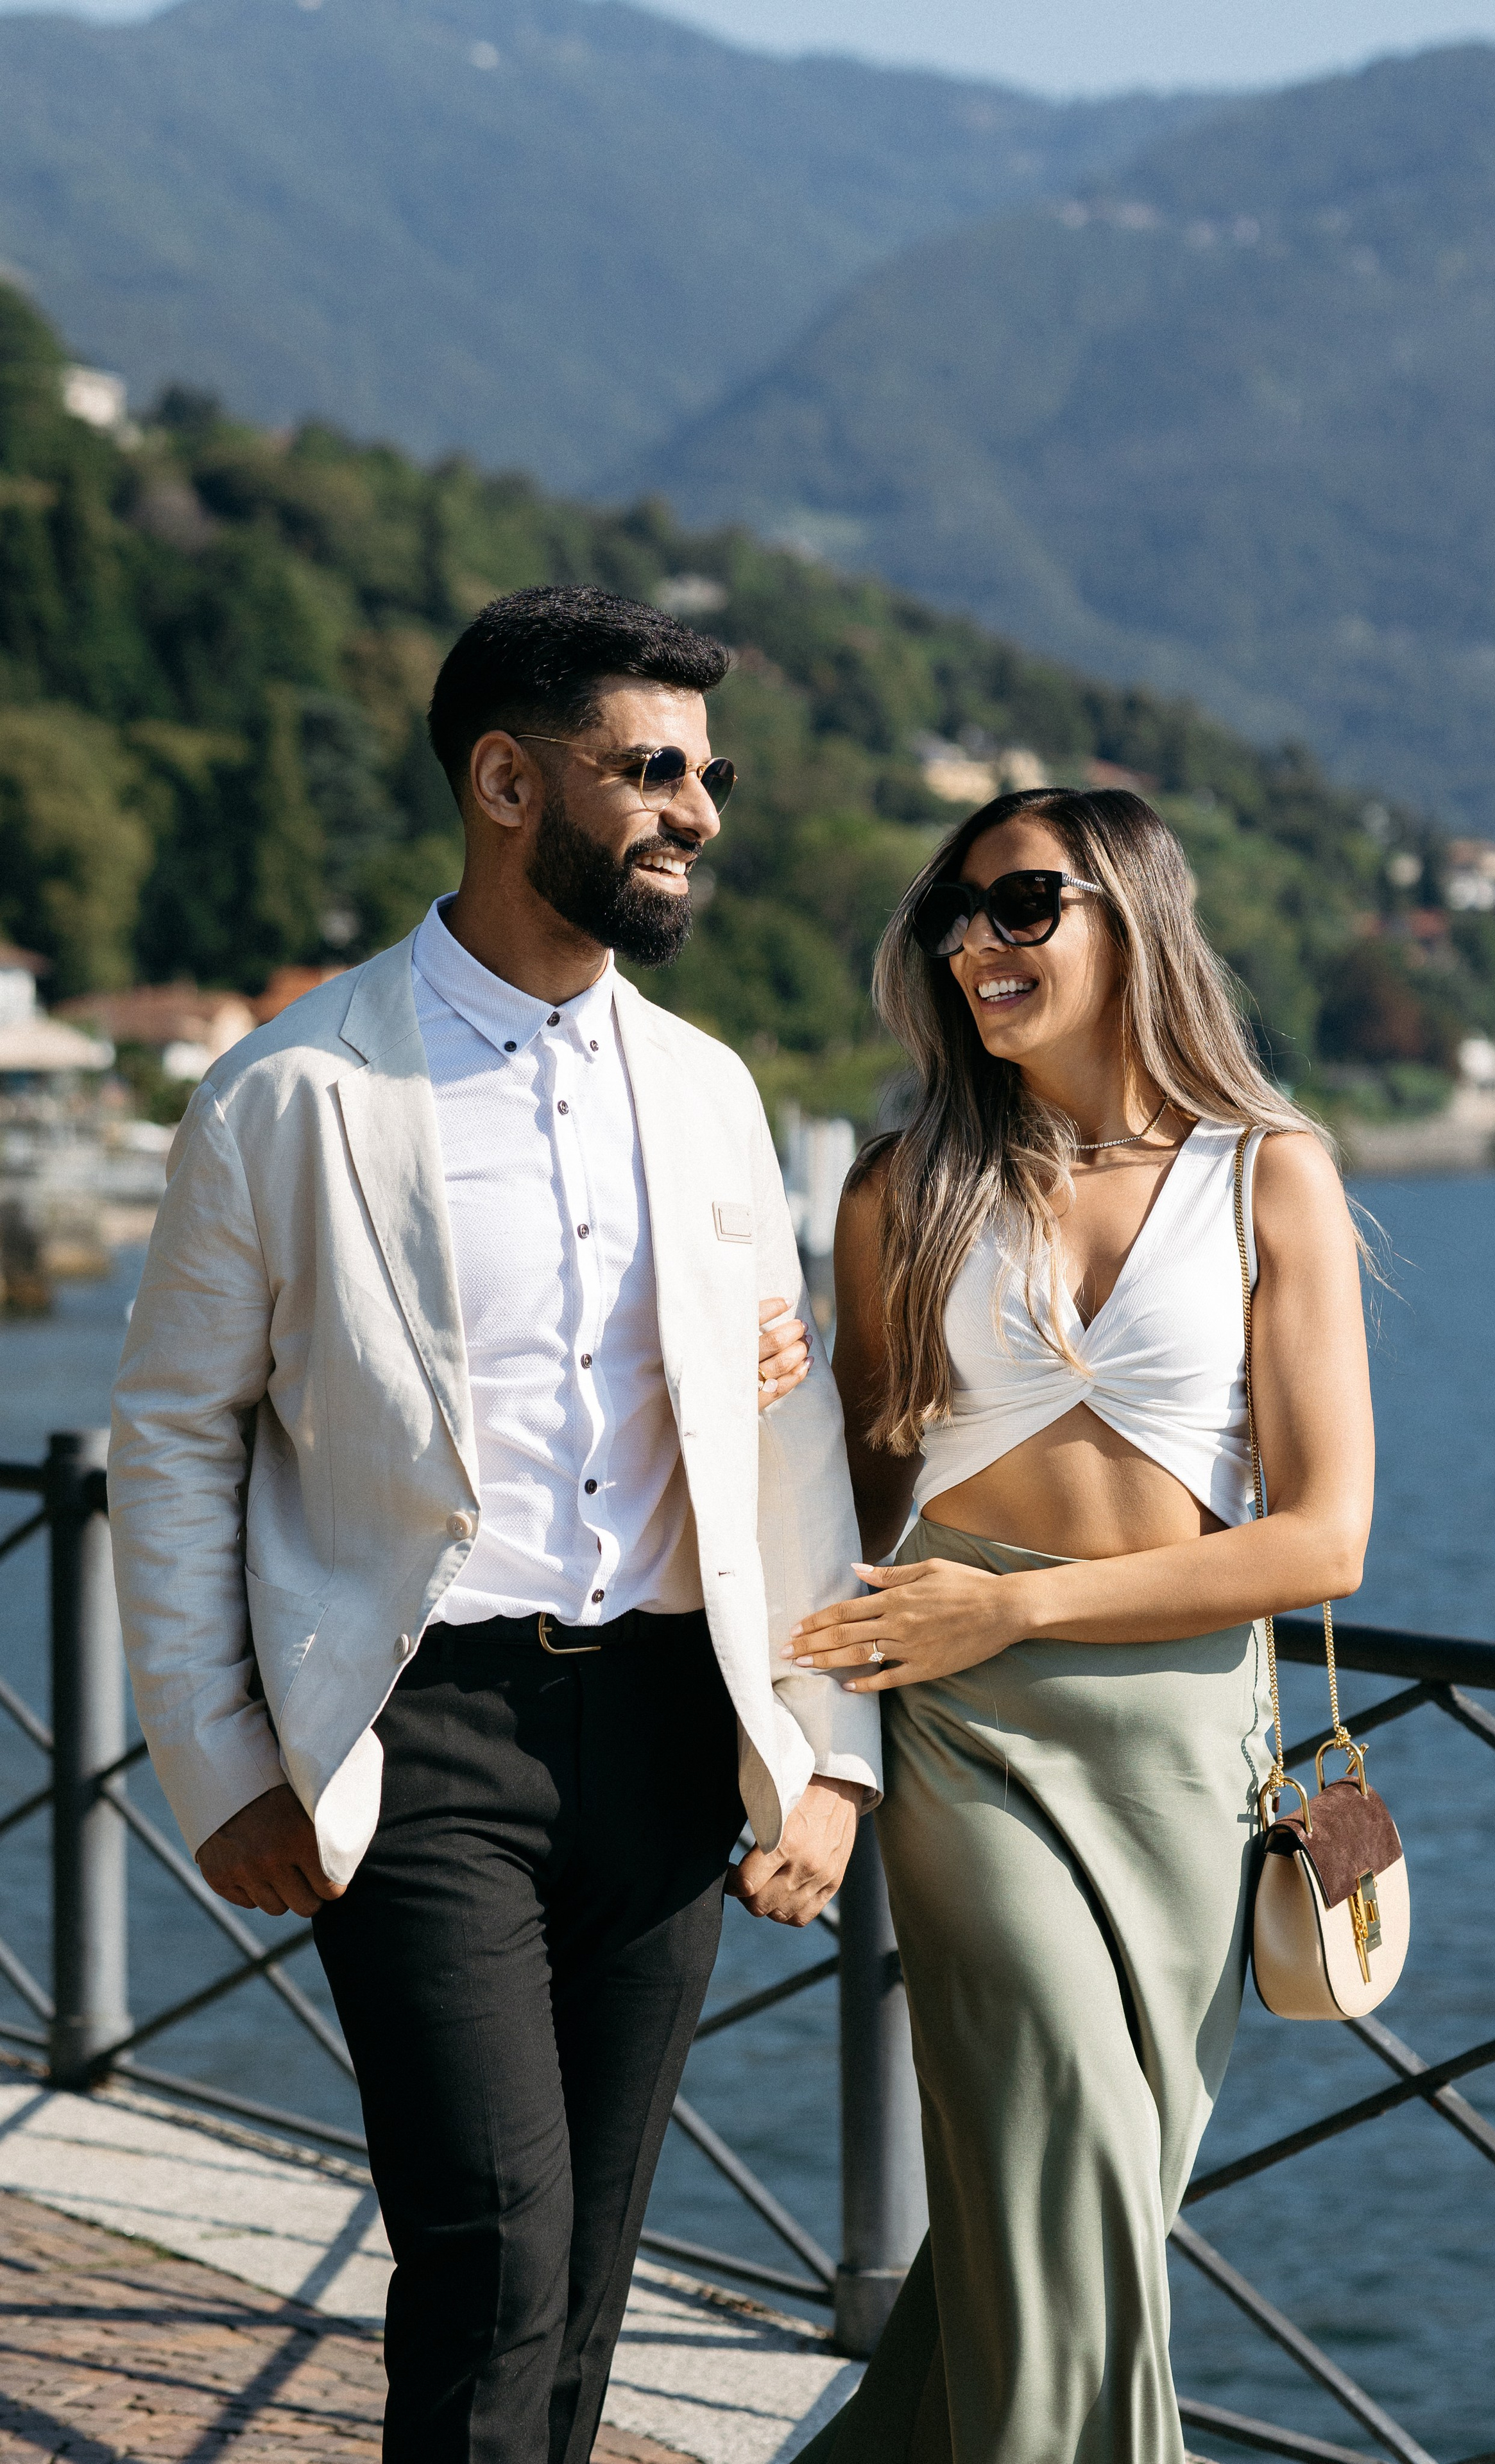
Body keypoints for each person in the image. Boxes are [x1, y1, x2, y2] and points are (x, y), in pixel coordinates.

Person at [108, 583, 881, 2464]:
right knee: (495, 2248)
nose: (697, 809)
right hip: (417, 1735)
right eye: (652, 769)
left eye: (710, 772)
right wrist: (219, 1763)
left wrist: (830, 1753)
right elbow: (172, 1439)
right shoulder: (293, 1088)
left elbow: (780, 1443)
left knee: (590, 2267)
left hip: (674, 1735)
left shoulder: (709, 1096)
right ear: (507, 779)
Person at [787, 788, 1375, 2463]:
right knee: (1070, 2195)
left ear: (1137, 917)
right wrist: (807, 1759)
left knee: (1058, 2232)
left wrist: (1015, 1603)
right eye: (951, 919)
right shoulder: (904, 1191)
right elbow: (839, 1504)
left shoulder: (1275, 1176)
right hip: (970, 1743)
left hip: (1186, 1757)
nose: (977, 942)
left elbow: (1325, 1536)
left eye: (1023, 904)